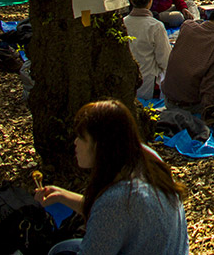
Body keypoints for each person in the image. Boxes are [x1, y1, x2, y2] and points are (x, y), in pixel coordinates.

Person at [36, 100, 188, 254]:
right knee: (64, 248)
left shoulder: (119, 199)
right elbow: (108, 215)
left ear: (100, 145)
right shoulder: (147, 159)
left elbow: (109, 215)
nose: (75, 142)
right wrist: (61, 195)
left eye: (82, 138)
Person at [161, 1, 214, 114]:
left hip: (168, 98)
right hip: (191, 106)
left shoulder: (187, 26)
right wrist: (209, 114)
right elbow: (211, 86)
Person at [124, 0, 172, 99]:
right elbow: (165, 61)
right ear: (151, 0)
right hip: (148, 86)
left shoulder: (122, 23)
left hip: (127, 84)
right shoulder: (155, 26)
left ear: (131, 0)